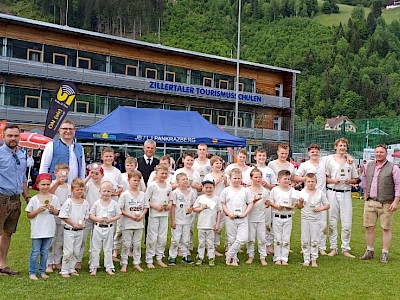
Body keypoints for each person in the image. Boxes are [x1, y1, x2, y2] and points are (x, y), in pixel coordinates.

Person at [360, 144, 400, 263]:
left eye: (381, 152)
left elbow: (398, 185)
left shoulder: (394, 168)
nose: (378, 154)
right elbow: (364, 179)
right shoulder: (368, 165)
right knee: (368, 227)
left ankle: (385, 253)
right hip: (370, 201)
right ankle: (369, 251)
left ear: (386, 153)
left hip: (386, 203)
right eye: (377, 152)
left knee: (386, 228)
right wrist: (365, 194)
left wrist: (396, 201)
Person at [0, 124, 31, 276]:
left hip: (15, 200)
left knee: (7, 232)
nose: (13, 139)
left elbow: (23, 178)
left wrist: (27, 196)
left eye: (16, 136)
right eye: (10, 136)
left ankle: (2, 265)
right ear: (3, 137)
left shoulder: (21, 154)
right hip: (1, 198)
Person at [293, 144, 329, 256]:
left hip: (320, 196)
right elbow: (296, 177)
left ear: (319, 153)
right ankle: (306, 247)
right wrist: (308, 179)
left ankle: (321, 247)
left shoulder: (324, 163)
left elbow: (337, 156)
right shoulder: (304, 165)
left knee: (322, 224)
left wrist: (348, 157)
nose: (315, 153)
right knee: (307, 225)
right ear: (309, 153)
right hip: (308, 197)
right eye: (312, 152)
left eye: (317, 151)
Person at [325, 138, 358, 258]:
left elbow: (356, 178)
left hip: (345, 192)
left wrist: (351, 181)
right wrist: (334, 180)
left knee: (347, 222)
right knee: (332, 221)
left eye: (344, 145)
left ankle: (345, 248)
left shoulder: (350, 161)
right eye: (340, 145)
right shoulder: (329, 160)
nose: (342, 147)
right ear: (336, 147)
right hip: (332, 192)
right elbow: (325, 178)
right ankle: (333, 247)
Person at [26, 173, 60, 280]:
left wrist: (52, 210)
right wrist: (37, 211)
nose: (45, 187)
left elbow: (57, 212)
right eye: (43, 184)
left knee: (45, 251)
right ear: (38, 185)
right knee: (35, 251)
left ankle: (42, 271)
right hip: (37, 230)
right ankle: (32, 272)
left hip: (49, 229)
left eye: (47, 184)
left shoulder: (54, 198)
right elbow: (29, 215)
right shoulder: (34, 199)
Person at [245, 148, 277, 255]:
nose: (262, 157)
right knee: (251, 223)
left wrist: (266, 185)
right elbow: (245, 185)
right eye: (259, 156)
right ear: (255, 157)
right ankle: (250, 247)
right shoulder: (250, 170)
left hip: (265, 199)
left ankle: (267, 244)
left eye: (263, 155)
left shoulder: (269, 170)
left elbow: (274, 186)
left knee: (267, 222)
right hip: (252, 200)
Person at [221, 168, 254, 266]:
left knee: (242, 238)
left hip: (242, 218)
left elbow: (250, 203)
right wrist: (228, 213)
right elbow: (223, 204)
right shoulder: (226, 190)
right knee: (231, 239)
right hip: (230, 218)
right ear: (230, 178)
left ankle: (229, 253)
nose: (236, 180)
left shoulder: (245, 191)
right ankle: (233, 259)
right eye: (234, 178)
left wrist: (245, 213)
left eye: (238, 178)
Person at [267, 170, 300, 265]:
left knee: (286, 237)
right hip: (277, 216)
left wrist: (292, 206)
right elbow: (270, 201)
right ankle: (277, 257)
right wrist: (276, 206)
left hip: (288, 216)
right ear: (279, 179)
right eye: (284, 179)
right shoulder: (275, 190)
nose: (287, 181)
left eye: (288, 179)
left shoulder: (292, 190)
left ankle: (284, 257)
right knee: (277, 237)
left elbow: (295, 203)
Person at [297, 173, 330, 267]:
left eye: (312, 181)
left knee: (315, 239)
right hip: (305, 219)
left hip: (316, 219)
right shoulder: (302, 192)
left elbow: (327, 205)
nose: (310, 183)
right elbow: (299, 207)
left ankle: (314, 258)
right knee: (305, 239)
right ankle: (306, 259)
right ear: (305, 182)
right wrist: (300, 202)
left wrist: (320, 209)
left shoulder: (320, 193)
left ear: (316, 182)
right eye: (308, 181)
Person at [89, 181, 121, 276]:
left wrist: (111, 220)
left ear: (112, 192)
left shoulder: (114, 203)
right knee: (95, 248)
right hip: (98, 227)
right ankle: (94, 266)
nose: (106, 193)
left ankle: (109, 267)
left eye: (108, 191)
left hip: (109, 227)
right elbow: (91, 214)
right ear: (100, 191)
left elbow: (118, 214)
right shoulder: (97, 203)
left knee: (108, 248)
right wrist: (97, 219)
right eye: (104, 191)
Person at [59, 178, 89, 277]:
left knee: (76, 250)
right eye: (77, 189)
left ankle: (72, 268)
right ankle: (64, 270)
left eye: (81, 189)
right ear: (72, 190)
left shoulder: (85, 203)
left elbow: (86, 215)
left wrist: (83, 223)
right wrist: (73, 224)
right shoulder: (69, 202)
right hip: (70, 230)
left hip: (80, 230)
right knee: (68, 251)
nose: (80, 191)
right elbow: (63, 215)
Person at [119, 170, 148, 272]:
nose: (136, 182)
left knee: (137, 244)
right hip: (127, 223)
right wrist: (130, 216)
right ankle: (124, 263)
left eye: (138, 180)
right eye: (134, 180)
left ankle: (137, 262)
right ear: (128, 180)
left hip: (139, 223)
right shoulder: (124, 195)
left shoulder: (142, 194)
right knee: (126, 244)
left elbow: (145, 207)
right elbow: (120, 209)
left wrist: (142, 215)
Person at [145, 165, 172, 269]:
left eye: (166, 173)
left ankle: (159, 257)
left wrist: (168, 205)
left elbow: (170, 199)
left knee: (162, 237)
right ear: (156, 174)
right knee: (152, 237)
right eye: (162, 173)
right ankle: (149, 259)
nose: (164, 175)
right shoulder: (152, 186)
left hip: (164, 215)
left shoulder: (169, 186)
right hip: (154, 215)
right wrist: (155, 206)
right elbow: (146, 200)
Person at [77, 163, 104, 269]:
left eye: (98, 174)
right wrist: (89, 176)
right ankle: (78, 260)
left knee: (96, 240)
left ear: (102, 175)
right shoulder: (88, 185)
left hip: (99, 216)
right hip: (87, 216)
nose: (95, 176)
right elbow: (80, 186)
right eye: (93, 174)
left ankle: (93, 260)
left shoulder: (104, 186)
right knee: (82, 238)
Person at [46, 163, 71, 273]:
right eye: (61, 172)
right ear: (55, 173)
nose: (63, 175)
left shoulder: (69, 187)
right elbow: (48, 193)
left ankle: (57, 261)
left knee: (61, 239)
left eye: (66, 172)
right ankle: (49, 262)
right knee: (51, 239)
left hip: (64, 217)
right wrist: (57, 183)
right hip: (52, 216)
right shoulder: (52, 184)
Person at [168, 173, 196, 266]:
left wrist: (191, 209)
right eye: (183, 179)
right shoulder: (175, 193)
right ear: (178, 182)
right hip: (178, 220)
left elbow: (193, 205)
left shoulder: (191, 192)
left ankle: (185, 255)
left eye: (186, 179)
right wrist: (173, 220)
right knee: (175, 239)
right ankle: (172, 256)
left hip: (187, 220)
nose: (185, 181)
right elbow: (172, 207)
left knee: (186, 239)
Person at [193, 179, 221, 267]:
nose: (208, 189)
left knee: (210, 242)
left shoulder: (216, 199)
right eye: (206, 188)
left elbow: (219, 211)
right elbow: (194, 208)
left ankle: (211, 257)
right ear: (203, 188)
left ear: (214, 188)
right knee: (201, 242)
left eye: (210, 188)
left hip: (211, 225)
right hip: (201, 225)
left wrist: (217, 224)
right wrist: (201, 208)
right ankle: (200, 257)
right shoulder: (200, 198)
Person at [203, 155, 227, 256]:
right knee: (210, 224)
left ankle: (215, 246)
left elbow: (228, 188)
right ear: (212, 165)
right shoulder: (208, 176)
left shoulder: (225, 175)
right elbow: (204, 188)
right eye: (216, 163)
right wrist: (215, 182)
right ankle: (207, 246)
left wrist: (225, 182)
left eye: (220, 163)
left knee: (219, 225)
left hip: (221, 202)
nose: (219, 165)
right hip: (211, 202)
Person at [245, 168, 270, 266]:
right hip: (250, 218)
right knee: (250, 238)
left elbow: (267, 203)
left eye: (260, 177)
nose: (258, 179)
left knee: (262, 238)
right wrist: (254, 201)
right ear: (251, 178)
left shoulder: (265, 191)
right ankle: (251, 256)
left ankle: (262, 257)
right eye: (256, 177)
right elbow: (246, 204)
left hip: (261, 218)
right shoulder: (247, 191)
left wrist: (268, 203)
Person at [137, 139, 159, 242]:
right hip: (139, 195)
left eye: (152, 148)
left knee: (151, 220)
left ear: (155, 150)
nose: (149, 150)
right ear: (144, 148)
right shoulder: (137, 161)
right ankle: (134, 243)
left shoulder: (158, 163)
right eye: (148, 147)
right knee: (137, 218)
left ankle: (149, 241)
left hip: (154, 196)